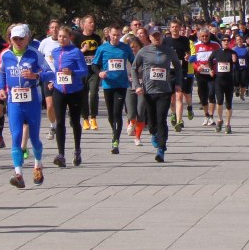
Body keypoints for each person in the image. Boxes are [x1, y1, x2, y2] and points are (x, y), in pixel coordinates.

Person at [0, 24, 49, 188]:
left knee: (34, 138)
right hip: (14, 101)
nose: (18, 42)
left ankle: (38, 165)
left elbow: (50, 72)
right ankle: (18, 173)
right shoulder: (6, 55)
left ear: (27, 38)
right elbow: (2, 73)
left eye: (21, 38)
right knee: (16, 136)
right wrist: (1, 89)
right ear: (10, 39)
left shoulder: (34, 54)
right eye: (15, 39)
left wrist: (36, 75)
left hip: (32, 100)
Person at [131, 29, 184, 163]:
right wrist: (137, 85)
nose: (156, 38)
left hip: (164, 91)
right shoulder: (144, 51)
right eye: (154, 36)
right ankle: (154, 133)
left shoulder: (169, 51)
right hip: (148, 92)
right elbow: (134, 68)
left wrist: (178, 83)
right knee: (152, 122)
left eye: (158, 36)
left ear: (162, 37)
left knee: (161, 119)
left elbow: (178, 66)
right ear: (149, 37)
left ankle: (161, 149)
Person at [46, 25, 89, 168]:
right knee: (59, 123)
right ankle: (61, 154)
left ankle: (77, 150)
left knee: (75, 122)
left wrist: (72, 72)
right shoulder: (55, 52)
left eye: (64, 37)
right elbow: (55, 71)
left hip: (75, 91)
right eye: (59, 36)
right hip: (59, 91)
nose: (62, 39)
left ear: (70, 37)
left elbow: (84, 71)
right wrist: (53, 81)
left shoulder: (75, 52)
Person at [93, 25, 134, 154]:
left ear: (121, 35)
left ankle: (115, 141)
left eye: (118, 35)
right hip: (108, 85)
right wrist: (99, 73)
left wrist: (133, 74)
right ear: (109, 35)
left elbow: (134, 62)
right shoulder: (102, 48)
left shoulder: (125, 48)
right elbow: (94, 65)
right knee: (111, 115)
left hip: (121, 85)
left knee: (117, 113)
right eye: (113, 35)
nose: (115, 37)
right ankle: (114, 130)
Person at [77, 15, 102, 131]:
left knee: (93, 93)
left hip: (94, 70)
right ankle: (85, 118)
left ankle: (93, 117)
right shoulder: (77, 38)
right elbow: (73, 53)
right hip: (82, 71)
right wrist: (82, 50)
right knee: (83, 95)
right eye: (90, 22)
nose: (92, 24)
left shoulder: (97, 38)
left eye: (93, 22)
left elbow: (101, 53)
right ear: (83, 24)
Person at [209, 39, 239, 133]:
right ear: (221, 42)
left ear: (230, 43)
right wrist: (211, 70)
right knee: (219, 101)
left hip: (229, 81)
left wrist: (234, 61)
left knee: (229, 104)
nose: (226, 42)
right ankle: (219, 120)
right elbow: (210, 60)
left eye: (228, 41)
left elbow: (238, 68)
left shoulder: (233, 53)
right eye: (224, 40)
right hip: (218, 81)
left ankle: (228, 124)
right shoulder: (216, 52)